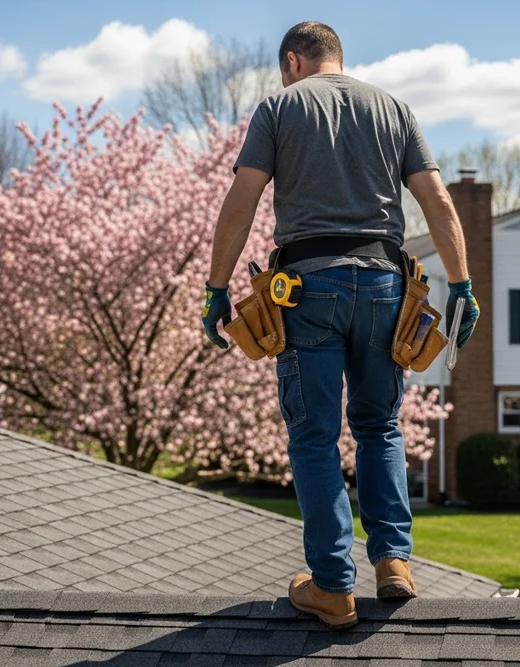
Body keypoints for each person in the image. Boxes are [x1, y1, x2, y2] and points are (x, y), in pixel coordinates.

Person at [201, 21, 479, 629]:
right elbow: (437, 201)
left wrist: (217, 288)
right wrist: (460, 286)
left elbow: (242, 201)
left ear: (294, 62)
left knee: (314, 434)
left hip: (308, 286)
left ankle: (332, 585)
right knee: (379, 423)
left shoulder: (278, 106)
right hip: (385, 283)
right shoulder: (393, 108)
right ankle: (394, 563)